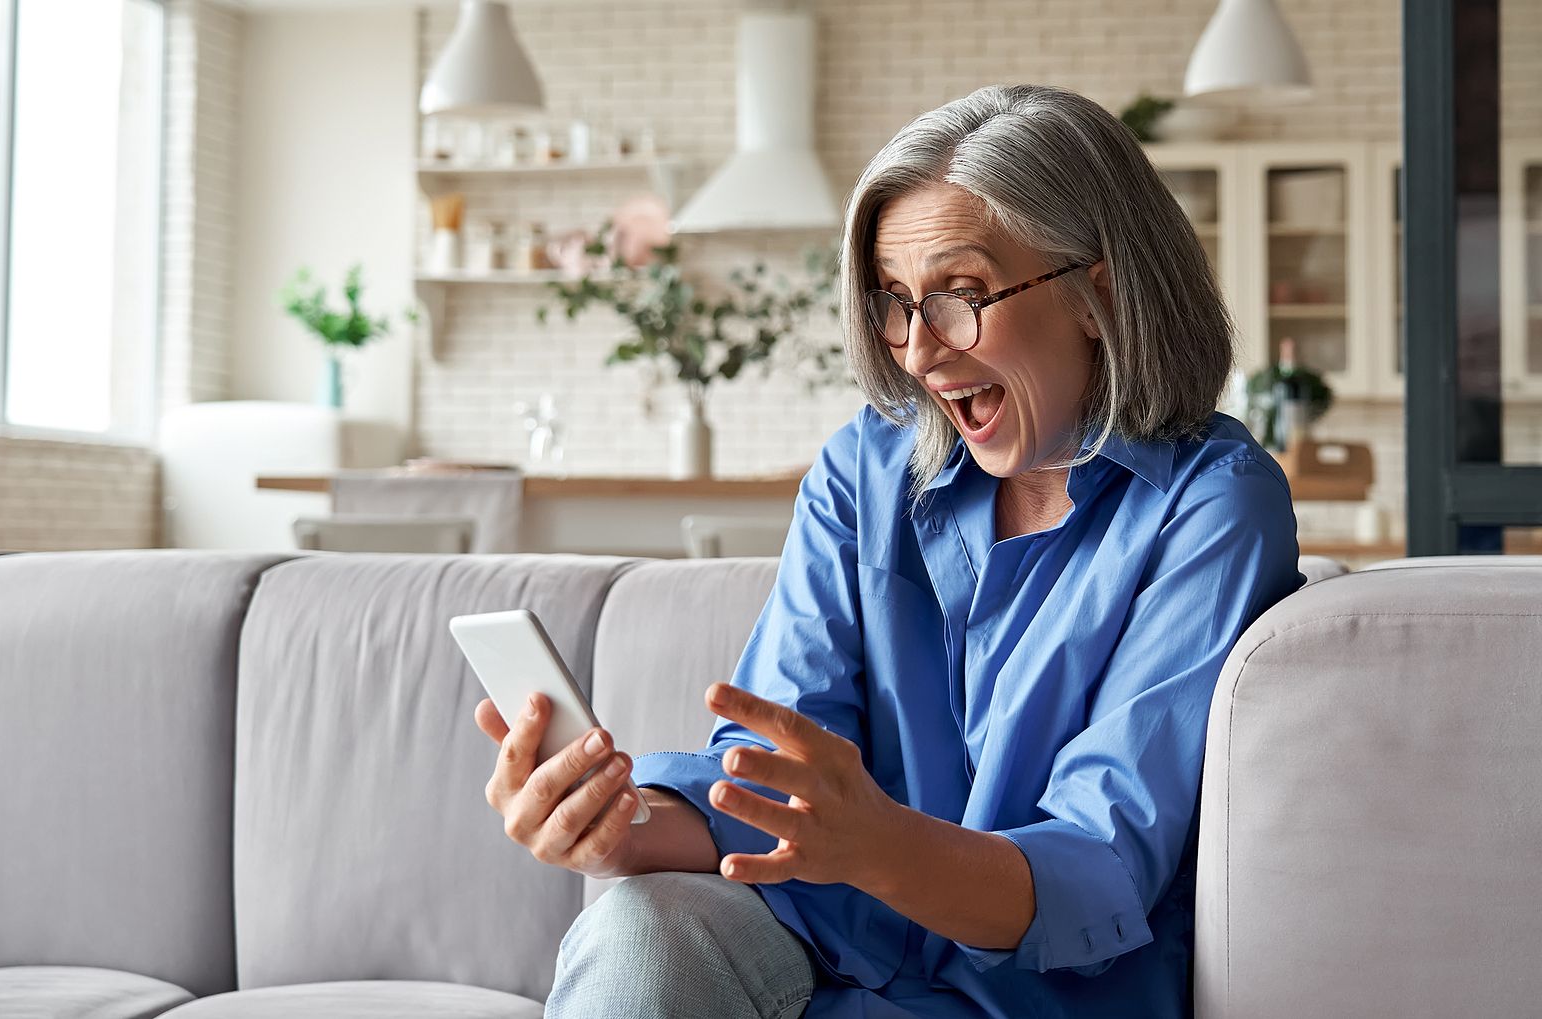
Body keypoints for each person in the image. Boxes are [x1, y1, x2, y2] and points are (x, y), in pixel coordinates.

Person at [474, 83, 1301, 1018]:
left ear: (1094, 291)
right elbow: (775, 763)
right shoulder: (862, 470)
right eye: (895, 304)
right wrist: (618, 828)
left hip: (1032, 999)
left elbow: (1102, 861)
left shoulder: (1213, 504)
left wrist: (876, 843)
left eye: (961, 295)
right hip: (827, 958)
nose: (916, 352)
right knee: (637, 927)